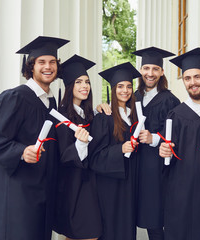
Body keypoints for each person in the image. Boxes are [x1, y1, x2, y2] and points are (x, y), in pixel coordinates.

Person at [0, 36, 69, 240]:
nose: (48, 67)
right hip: (19, 197)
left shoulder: (50, 103)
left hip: (42, 193)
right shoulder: (15, 97)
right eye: (42, 62)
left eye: (52, 62)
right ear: (31, 66)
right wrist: (22, 152)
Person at [159, 47, 200, 240]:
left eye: (197, 77)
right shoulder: (176, 114)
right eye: (187, 78)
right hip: (181, 191)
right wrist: (164, 153)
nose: (193, 83)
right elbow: (168, 161)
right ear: (183, 81)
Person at [132, 46, 180, 240]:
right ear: (140, 71)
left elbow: (177, 134)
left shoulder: (170, 101)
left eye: (154, 69)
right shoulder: (132, 97)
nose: (150, 73)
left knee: (155, 220)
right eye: (146, 68)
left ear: (161, 72)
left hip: (156, 168)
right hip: (134, 165)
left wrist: (154, 139)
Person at [89, 62, 141, 240]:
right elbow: (94, 157)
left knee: (127, 227)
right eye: (120, 86)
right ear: (112, 89)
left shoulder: (135, 115)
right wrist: (120, 149)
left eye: (128, 86)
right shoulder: (104, 117)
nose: (125, 91)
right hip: (110, 187)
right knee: (111, 229)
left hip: (130, 183)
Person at [53, 54, 102, 240]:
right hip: (73, 185)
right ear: (69, 86)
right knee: (85, 234)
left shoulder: (89, 114)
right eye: (78, 82)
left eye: (87, 82)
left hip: (90, 185)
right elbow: (64, 155)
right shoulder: (61, 117)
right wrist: (80, 144)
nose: (84, 86)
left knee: (79, 234)